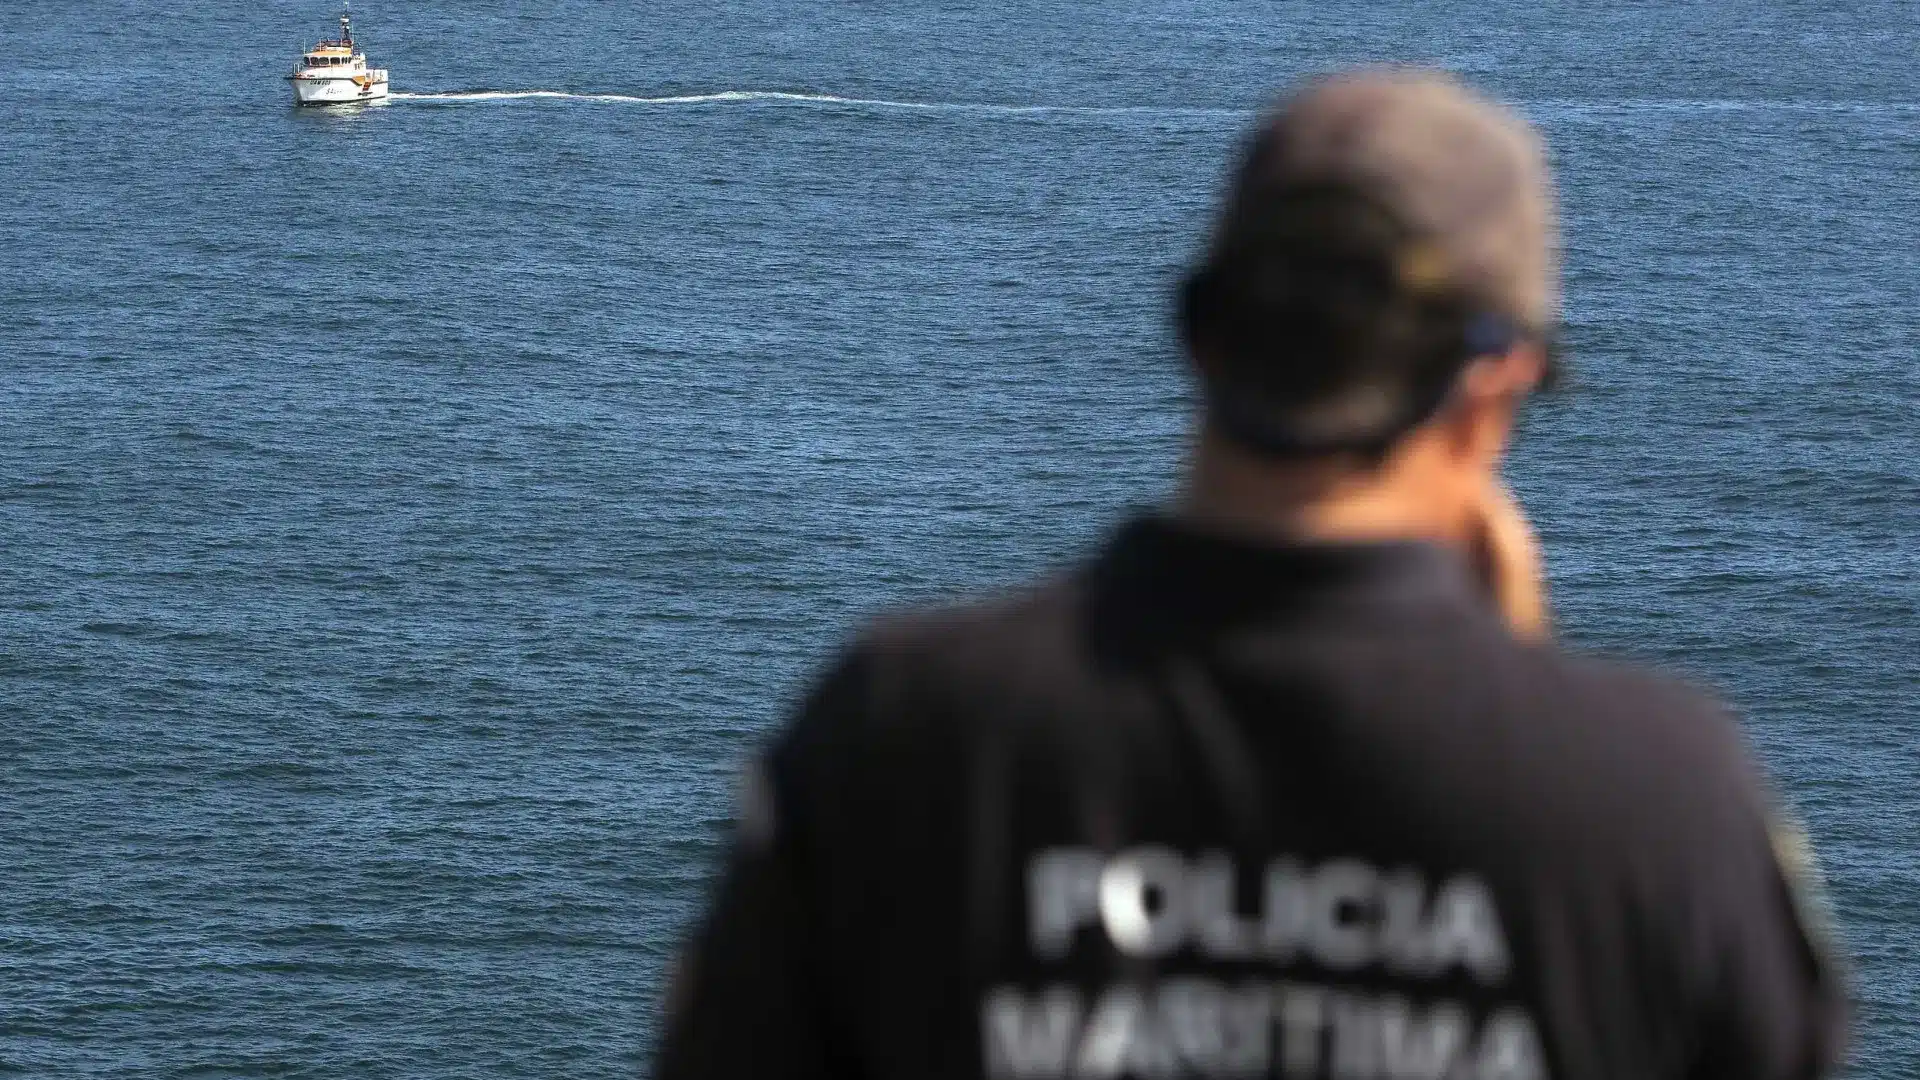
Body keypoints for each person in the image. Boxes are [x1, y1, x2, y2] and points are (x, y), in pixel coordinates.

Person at [654, 69, 1848, 1080]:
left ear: (1198, 334)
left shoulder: (901, 722)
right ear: (1498, 385)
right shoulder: (1660, 790)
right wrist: (1530, 700)